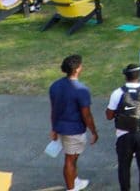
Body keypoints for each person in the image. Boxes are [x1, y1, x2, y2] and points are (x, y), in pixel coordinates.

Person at [106, 64, 140, 191]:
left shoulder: (117, 93)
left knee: (124, 167)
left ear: (126, 76)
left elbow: (109, 115)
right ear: (139, 76)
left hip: (123, 135)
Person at [49, 54, 97, 191]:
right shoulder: (81, 89)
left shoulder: (55, 86)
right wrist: (94, 131)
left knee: (72, 157)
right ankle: (71, 188)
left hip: (60, 128)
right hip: (74, 130)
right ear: (76, 69)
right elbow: (86, 114)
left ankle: (75, 180)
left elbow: (54, 109)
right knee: (70, 160)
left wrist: (54, 128)